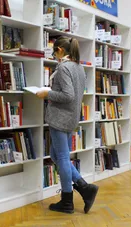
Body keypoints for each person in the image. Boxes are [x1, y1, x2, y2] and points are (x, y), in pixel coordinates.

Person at [37, 36, 99, 214]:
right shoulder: (79, 67)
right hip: (71, 117)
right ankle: (84, 187)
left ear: (61, 51)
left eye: (54, 52)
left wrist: (47, 93)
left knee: (62, 158)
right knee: (56, 155)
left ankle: (67, 201)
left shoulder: (64, 67)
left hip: (60, 117)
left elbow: (68, 95)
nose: (54, 56)